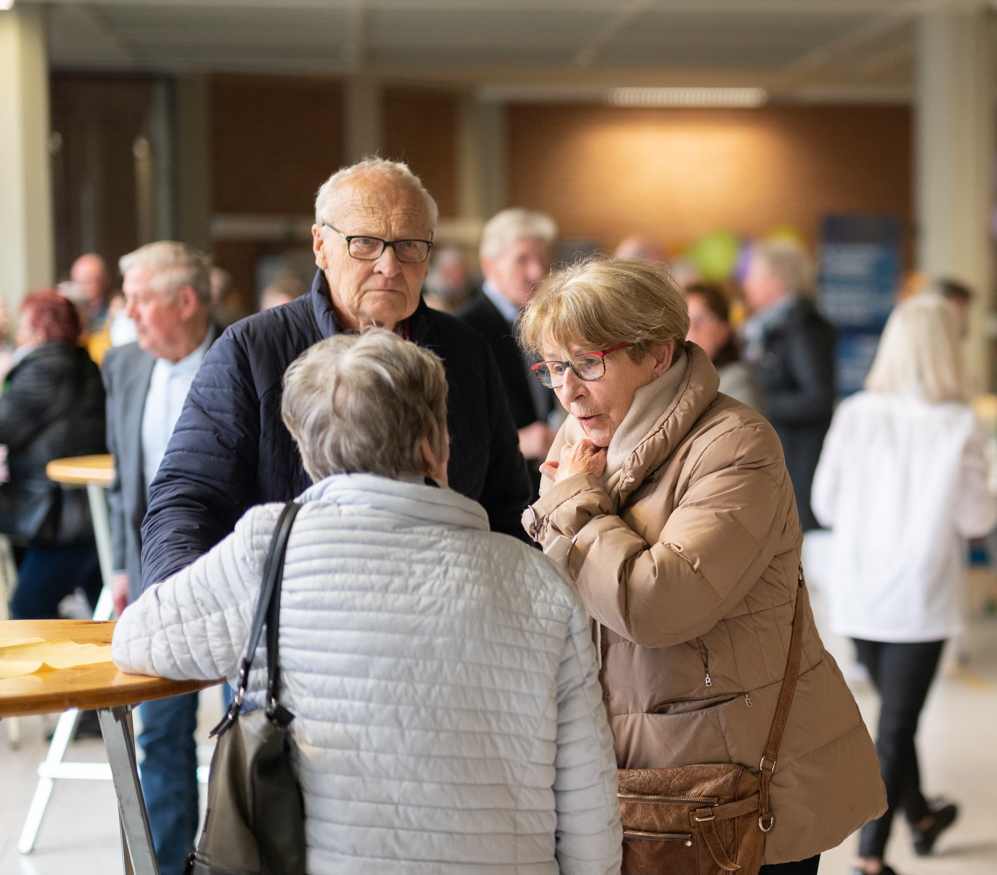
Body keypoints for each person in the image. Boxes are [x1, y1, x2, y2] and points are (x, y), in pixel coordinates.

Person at [113, 328, 621, 875]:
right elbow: (587, 796)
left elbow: (138, 639)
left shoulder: (269, 551)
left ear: (308, 450)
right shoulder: (538, 581)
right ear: (434, 445)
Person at [520, 257, 884, 875]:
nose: (567, 389)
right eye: (554, 367)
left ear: (659, 354)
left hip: (729, 790)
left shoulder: (736, 445)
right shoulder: (585, 437)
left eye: (587, 363)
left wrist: (575, 506)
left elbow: (657, 605)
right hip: (634, 781)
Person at [139, 157, 531, 589]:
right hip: (294, 621)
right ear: (320, 246)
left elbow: (506, 506)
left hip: (441, 620)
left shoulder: (467, 351)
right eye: (365, 243)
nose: (390, 265)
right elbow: (186, 503)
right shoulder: (252, 350)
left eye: (409, 245)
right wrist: (184, 612)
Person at [811, 294, 997, 875]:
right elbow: (978, 520)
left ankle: (920, 816)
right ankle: (870, 858)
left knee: (895, 716)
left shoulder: (855, 412)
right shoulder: (961, 423)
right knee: (896, 723)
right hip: (920, 592)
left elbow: (826, 502)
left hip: (859, 588)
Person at [101, 242, 219, 875]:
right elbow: (128, 478)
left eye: (141, 299)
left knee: (250, 729)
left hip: (239, 578)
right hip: (154, 582)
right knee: (159, 733)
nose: (130, 313)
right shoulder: (122, 366)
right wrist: (124, 565)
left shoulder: (246, 355)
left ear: (186, 301)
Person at [0, 290, 107, 619]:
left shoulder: (45, 368)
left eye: (23, 327)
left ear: (40, 332)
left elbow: (5, 424)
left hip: (60, 515)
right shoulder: (84, 364)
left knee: (27, 609)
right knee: (104, 608)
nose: (18, 335)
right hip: (85, 510)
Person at [455, 208, 559, 498]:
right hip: (492, 493)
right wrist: (517, 440)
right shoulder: (463, 329)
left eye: (542, 259)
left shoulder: (541, 322)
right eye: (522, 259)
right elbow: (453, 430)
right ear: (490, 266)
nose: (536, 272)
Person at [742, 238, 836, 530]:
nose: (746, 285)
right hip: (779, 452)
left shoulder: (802, 329)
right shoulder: (765, 328)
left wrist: (755, 407)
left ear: (778, 283)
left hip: (798, 460)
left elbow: (818, 398)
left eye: (754, 276)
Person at [685, 282, 764, 412]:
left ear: (724, 330)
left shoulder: (738, 379)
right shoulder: (679, 380)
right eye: (685, 321)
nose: (692, 328)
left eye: (702, 319)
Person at [69, 252, 111, 333]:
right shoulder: (69, 314)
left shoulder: (114, 312)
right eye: (77, 282)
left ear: (104, 280)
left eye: (87, 282)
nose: (81, 288)